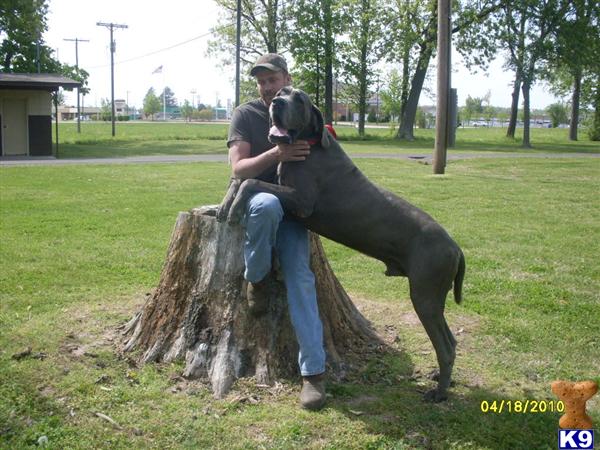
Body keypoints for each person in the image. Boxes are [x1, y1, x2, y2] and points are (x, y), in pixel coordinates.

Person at [226, 53, 327, 411]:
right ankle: (257, 277)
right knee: (266, 205)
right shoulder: (246, 114)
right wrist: (278, 154)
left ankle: (313, 374)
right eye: (262, 81)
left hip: (292, 210)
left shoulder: (300, 111)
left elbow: (323, 153)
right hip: (257, 205)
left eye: (273, 79)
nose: (267, 87)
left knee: (301, 277)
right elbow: (239, 169)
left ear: (287, 78)